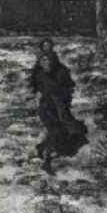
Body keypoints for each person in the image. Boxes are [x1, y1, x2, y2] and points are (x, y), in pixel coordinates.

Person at [30, 39, 88, 174]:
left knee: (74, 130)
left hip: (61, 107)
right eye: (43, 61)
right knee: (56, 132)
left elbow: (69, 87)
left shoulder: (62, 71)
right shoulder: (38, 74)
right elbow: (34, 87)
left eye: (48, 60)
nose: (46, 63)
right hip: (46, 108)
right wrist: (37, 95)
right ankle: (47, 161)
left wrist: (64, 97)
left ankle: (45, 150)